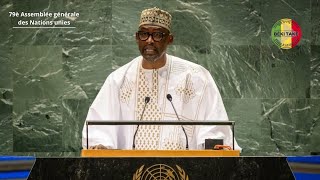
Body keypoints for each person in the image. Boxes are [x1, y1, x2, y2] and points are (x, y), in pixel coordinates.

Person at [82, 7, 241, 150]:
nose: (149, 40)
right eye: (144, 34)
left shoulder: (196, 77)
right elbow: (99, 127)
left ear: (169, 39)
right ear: (137, 38)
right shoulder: (118, 80)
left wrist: (214, 146)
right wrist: (101, 146)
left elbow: (213, 127)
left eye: (157, 35)